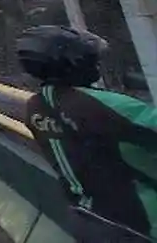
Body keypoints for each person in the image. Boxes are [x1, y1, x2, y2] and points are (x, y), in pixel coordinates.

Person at [16, 25, 157, 242]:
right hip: (138, 221)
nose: (94, 62)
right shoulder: (101, 105)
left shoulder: (36, 106)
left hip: (86, 216)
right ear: (71, 62)